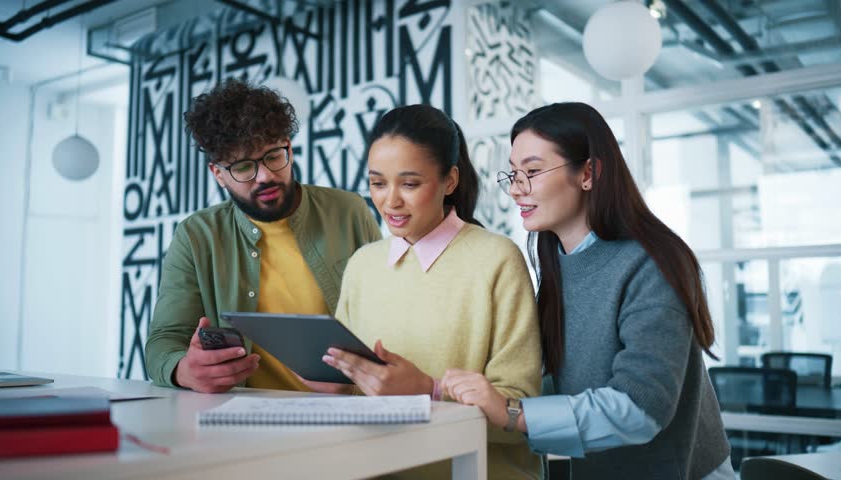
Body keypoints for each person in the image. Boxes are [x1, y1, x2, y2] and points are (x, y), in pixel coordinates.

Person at [442, 102, 734, 479]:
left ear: (589, 173)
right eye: (513, 174)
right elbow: (549, 378)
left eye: (531, 171)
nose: (515, 190)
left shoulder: (651, 263)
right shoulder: (555, 267)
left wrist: (513, 412)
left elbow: (642, 408)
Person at [318, 104, 543, 479]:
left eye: (409, 184)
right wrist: (334, 381)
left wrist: (426, 390)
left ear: (449, 181)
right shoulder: (363, 264)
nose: (390, 201)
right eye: (377, 183)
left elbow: (520, 407)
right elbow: (353, 388)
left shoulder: (496, 258)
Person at [145, 79, 382, 393]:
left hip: (346, 411)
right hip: (243, 417)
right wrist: (182, 369)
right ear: (218, 174)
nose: (266, 176)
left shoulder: (349, 211)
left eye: (273, 155)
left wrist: (357, 375)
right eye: (244, 167)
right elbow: (163, 342)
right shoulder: (196, 236)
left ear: (290, 147)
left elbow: (387, 318)